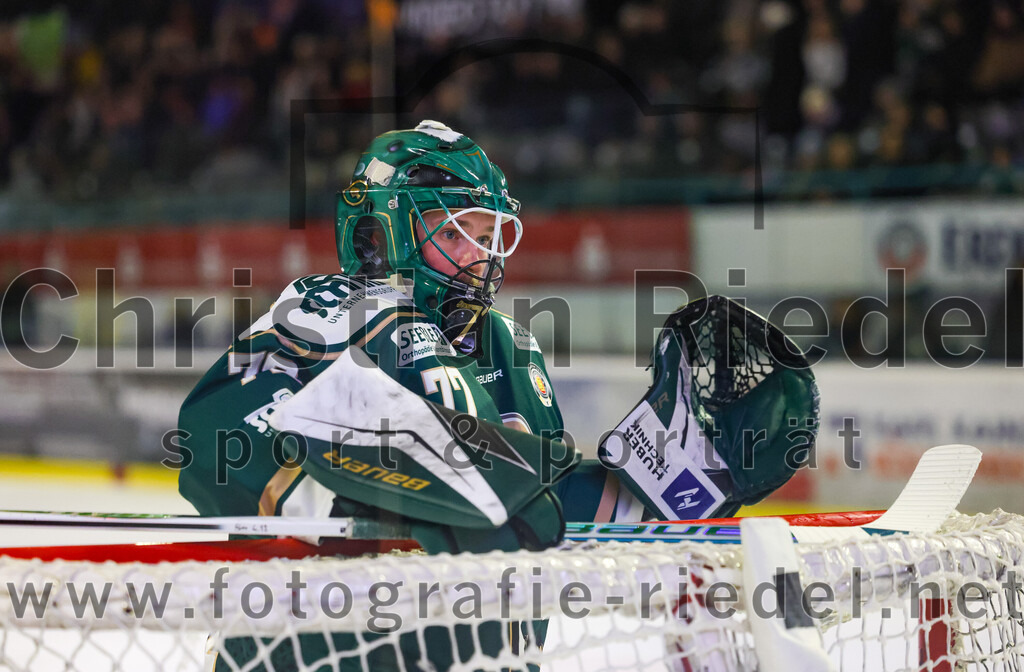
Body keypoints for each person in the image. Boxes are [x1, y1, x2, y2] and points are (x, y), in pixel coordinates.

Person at [177, 120, 819, 670]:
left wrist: (681, 487)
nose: (478, 258)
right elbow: (213, 446)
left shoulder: (511, 348)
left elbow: (532, 507)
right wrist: (402, 495)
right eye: (453, 234)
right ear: (380, 234)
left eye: (486, 237)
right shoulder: (332, 310)